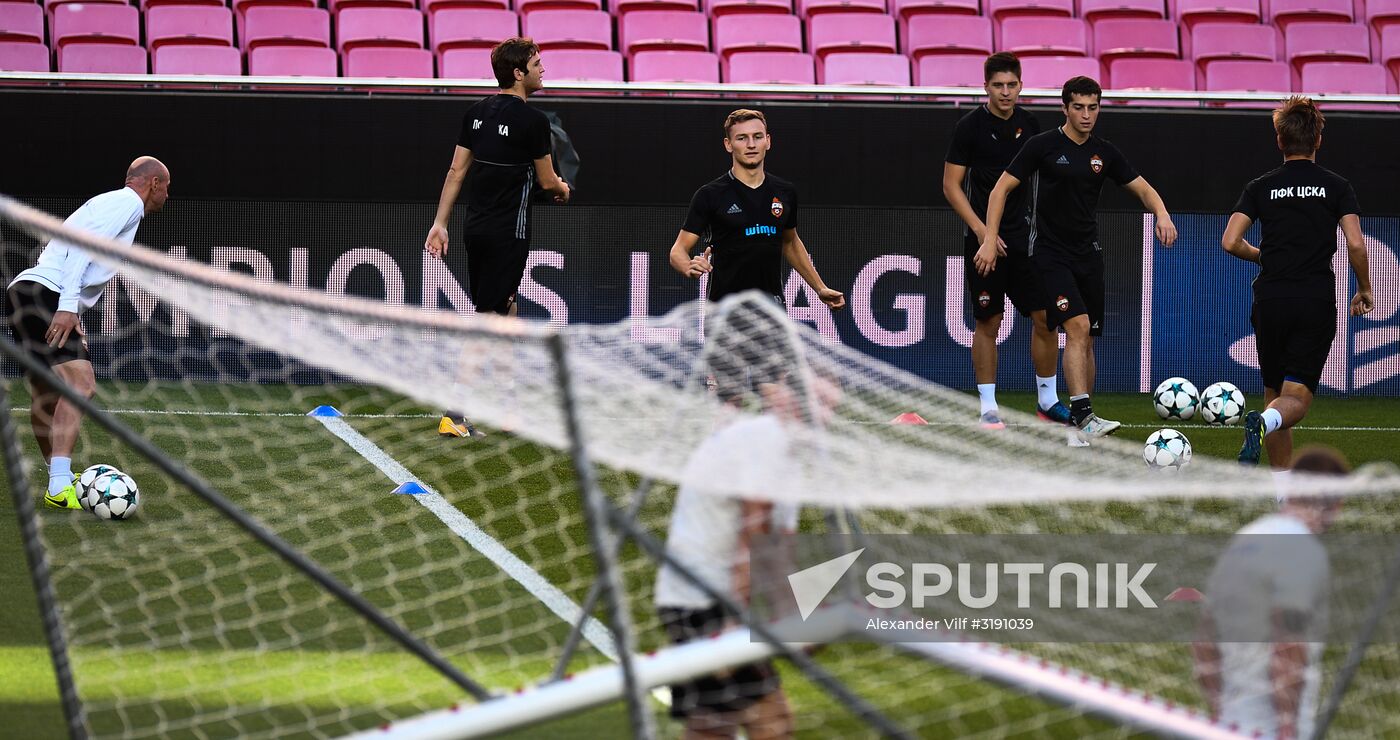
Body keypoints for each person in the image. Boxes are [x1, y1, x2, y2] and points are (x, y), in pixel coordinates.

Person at [980, 76, 1178, 440]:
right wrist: (990, 238)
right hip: (1048, 254)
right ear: (1065, 108)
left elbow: (1144, 188)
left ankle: (1081, 425)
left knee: (1087, 340)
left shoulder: (1104, 152)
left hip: (1089, 255)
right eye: (1079, 107)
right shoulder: (1042, 146)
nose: (1087, 115)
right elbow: (1000, 189)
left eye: (1093, 107)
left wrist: (1162, 214)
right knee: (1077, 327)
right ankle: (1082, 417)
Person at [654, 364, 840, 740]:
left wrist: (793, 612)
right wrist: (737, 622)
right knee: (772, 723)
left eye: (827, 405)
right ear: (779, 397)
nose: (818, 413)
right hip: (705, 601)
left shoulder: (786, 452)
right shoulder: (764, 441)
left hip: (693, 598)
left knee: (712, 727)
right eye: (810, 399)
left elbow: (778, 546)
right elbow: (751, 538)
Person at [423, 37, 571, 438]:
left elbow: (456, 173)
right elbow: (546, 181)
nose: (544, 70)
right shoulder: (534, 121)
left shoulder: (475, 112)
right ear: (518, 73)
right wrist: (562, 188)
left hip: (475, 229)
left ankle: (509, 404)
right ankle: (455, 411)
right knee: (487, 317)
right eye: (537, 64)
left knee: (506, 306)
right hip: (510, 233)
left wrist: (440, 223)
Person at [4, 156, 170, 509]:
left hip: (26, 291)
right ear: (153, 183)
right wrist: (66, 306)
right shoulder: (126, 202)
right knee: (82, 385)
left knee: (45, 395)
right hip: (47, 293)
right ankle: (60, 484)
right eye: (167, 187)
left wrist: (72, 308)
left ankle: (59, 479)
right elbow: (81, 246)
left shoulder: (111, 203)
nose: (167, 196)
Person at [1223, 96, 1373, 468]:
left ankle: (1280, 493)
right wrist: (1366, 288)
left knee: (1274, 392)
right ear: (1318, 140)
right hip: (1312, 300)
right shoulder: (1336, 186)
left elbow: (1229, 241)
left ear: (1279, 140)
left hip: (1270, 300)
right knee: (1296, 401)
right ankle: (1263, 422)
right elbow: (1355, 243)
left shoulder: (1260, 186)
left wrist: (1263, 256)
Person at [668, 109, 844, 405]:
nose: (750, 144)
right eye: (742, 138)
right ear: (728, 145)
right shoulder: (710, 195)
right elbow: (678, 250)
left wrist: (819, 288)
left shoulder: (785, 192)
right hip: (724, 312)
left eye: (757, 137)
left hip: (770, 310)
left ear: (768, 142)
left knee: (776, 397)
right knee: (729, 401)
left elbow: (790, 242)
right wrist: (689, 266)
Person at [942, 52, 1070, 430]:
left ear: (1021, 85)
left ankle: (1047, 401)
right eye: (997, 85)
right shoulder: (969, 127)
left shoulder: (1030, 125)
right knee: (988, 321)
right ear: (985, 87)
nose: (1005, 92)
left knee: (1047, 318)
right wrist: (984, 233)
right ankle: (988, 407)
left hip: (1025, 242)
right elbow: (951, 187)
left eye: (1012, 84)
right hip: (983, 243)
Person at [1193, 446, 1348, 740]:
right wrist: (1287, 728)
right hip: (1273, 729)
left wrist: (1218, 710)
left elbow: (1203, 640)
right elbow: (1287, 644)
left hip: (1226, 725)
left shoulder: (1244, 538)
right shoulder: (1303, 549)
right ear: (1337, 504)